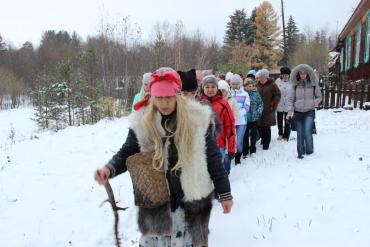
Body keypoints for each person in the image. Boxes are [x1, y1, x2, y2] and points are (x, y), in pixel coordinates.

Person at [95, 67, 233, 247]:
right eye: (159, 98)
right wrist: (109, 169)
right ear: (152, 97)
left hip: (190, 197)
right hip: (156, 198)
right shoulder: (143, 121)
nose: (164, 103)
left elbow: (213, 158)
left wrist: (225, 193)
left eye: (169, 97)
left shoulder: (197, 120)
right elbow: (128, 151)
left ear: (177, 95)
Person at [201, 75, 236, 174]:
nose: (210, 89)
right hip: (202, 145)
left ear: (217, 88)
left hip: (218, 145)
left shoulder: (224, 104)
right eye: (207, 87)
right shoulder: (199, 103)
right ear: (203, 88)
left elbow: (230, 126)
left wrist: (231, 147)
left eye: (213, 87)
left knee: (217, 172)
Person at [287, 64, 322, 159]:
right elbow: (290, 100)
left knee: (307, 131)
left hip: (309, 111)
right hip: (298, 112)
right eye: (301, 73)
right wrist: (289, 112)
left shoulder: (313, 84)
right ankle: (300, 152)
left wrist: (314, 103)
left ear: (308, 74)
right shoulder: (295, 85)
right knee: (300, 132)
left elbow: (319, 97)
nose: (303, 75)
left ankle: (310, 151)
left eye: (304, 73)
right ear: (298, 74)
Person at [256, 69, 281, 150]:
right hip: (259, 109)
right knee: (259, 126)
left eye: (263, 78)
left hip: (268, 109)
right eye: (260, 78)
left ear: (267, 78)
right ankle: (263, 140)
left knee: (266, 127)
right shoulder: (257, 85)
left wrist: (273, 104)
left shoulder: (272, 85)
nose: (261, 79)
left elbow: (278, 95)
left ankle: (266, 144)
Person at [230, 74, 250, 164]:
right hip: (231, 121)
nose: (235, 86)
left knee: (239, 141)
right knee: (231, 140)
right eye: (233, 84)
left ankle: (238, 156)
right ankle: (231, 154)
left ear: (240, 84)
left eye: (237, 84)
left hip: (241, 121)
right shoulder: (228, 94)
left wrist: (237, 114)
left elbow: (246, 107)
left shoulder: (245, 94)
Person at [243, 78, 264, 157]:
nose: (250, 87)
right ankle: (245, 150)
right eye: (249, 86)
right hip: (245, 118)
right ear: (245, 86)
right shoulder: (243, 94)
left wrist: (258, 112)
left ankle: (253, 150)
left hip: (255, 117)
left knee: (254, 134)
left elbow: (261, 103)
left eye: (252, 86)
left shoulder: (256, 93)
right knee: (245, 135)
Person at [275, 67, 293, 141]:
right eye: (283, 75)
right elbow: (275, 91)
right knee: (279, 120)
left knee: (287, 120)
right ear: (281, 75)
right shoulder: (277, 81)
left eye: (286, 75)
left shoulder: (292, 82)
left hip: (288, 104)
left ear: (289, 75)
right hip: (280, 103)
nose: (285, 76)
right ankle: (280, 133)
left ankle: (286, 134)